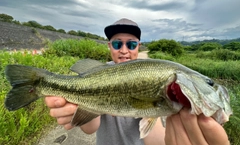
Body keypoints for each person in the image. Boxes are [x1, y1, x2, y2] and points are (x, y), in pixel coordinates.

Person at [45, 18, 230, 145]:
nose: (124, 50)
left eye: (131, 44)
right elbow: (91, 128)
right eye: (117, 44)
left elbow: (153, 132)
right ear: (109, 46)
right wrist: (75, 110)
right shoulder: (98, 74)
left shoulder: (149, 74)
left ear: (138, 46)